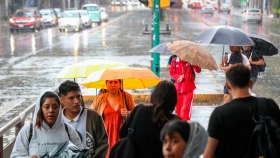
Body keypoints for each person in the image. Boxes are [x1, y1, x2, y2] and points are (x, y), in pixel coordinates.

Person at [203, 64, 280, 158]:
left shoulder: (219, 114)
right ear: (250, 83)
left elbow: (208, 155)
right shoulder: (269, 105)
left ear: (228, 86)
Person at [119, 80, 181, 158]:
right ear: (174, 100)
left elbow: (122, 133)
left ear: (154, 95)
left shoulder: (139, 111)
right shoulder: (176, 122)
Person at [11, 91, 83, 158]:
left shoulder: (68, 130)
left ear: (60, 108)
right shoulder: (28, 131)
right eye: (46, 107)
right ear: (40, 109)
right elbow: (16, 156)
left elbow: (81, 154)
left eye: (55, 107)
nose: (51, 110)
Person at [59, 80, 109, 158]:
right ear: (62, 100)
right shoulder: (57, 121)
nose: (76, 101)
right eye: (71, 98)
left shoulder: (93, 117)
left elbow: (103, 144)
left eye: (78, 96)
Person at [91, 79, 135, 158]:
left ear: (120, 84)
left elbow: (135, 114)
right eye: (110, 82)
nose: (113, 85)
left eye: (115, 82)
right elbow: (91, 114)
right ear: (106, 84)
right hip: (105, 134)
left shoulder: (127, 97)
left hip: (121, 133)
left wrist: (128, 113)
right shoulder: (100, 99)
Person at [170, 56, 201, 121]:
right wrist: (178, 77)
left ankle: (184, 126)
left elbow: (198, 70)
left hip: (189, 89)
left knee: (185, 109)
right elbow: (172, 73)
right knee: (178, 110)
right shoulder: (174, 61)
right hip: (178, 90)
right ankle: (179, 126)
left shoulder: (191, 60)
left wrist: (193, 62)